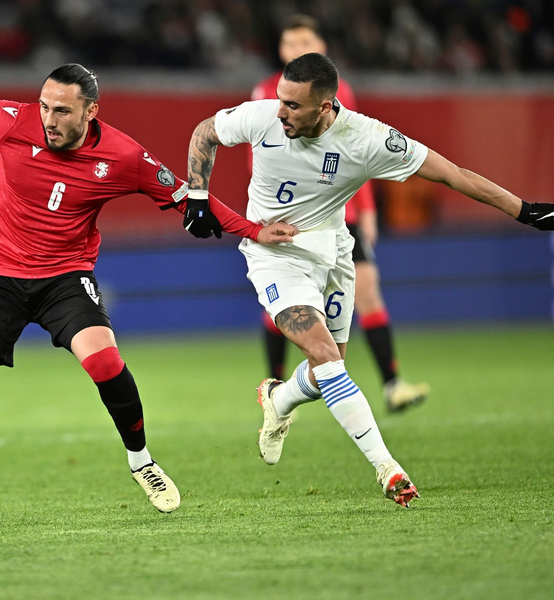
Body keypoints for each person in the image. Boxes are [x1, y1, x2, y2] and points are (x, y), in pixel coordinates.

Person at [0, 64, 294, 529]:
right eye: (45, 106)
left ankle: (142, 462)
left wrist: (254, 230)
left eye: (62, 111)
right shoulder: (10, 120)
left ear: (90, 111)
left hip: (64, 278)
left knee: (105, 363)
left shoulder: (123, 156)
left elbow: (186, 197)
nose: (49, 119)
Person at [185, 52, 553, 507]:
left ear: (325, 106)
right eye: (280, 100)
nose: (281, 112)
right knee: (325, 356)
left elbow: (452, 175)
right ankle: (387, 467)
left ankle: (279, 400)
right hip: (274, 255)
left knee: (328, 368)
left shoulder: (368, 139)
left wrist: (524, 210)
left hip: (335, 251)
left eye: (293, 105)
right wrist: (197, 195)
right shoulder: (261, 117)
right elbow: (204, 132)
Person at [252, 14, 429, 412]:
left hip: (341, 217)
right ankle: (274, 388)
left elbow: (355, 154)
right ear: (280, 50)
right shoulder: (266, 92)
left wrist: (366, 210)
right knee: (283, 305)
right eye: (290, 43)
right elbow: (259, 159)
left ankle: (392, 385)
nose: (296, 49)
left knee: (367, 291)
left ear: (321, 47)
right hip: (292, 217)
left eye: (304, 42)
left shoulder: (338, 90)